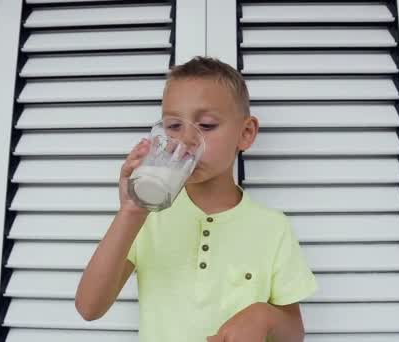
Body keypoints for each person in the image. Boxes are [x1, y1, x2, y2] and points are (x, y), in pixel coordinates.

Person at [75, 56, 317, 341]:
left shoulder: (273, 227)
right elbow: (89, 308)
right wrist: (130, 212)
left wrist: (264, 316)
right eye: (174, 126)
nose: (187, 140)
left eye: (206, 124)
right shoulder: (147, 217)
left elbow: (294, 334)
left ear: (246, 133)